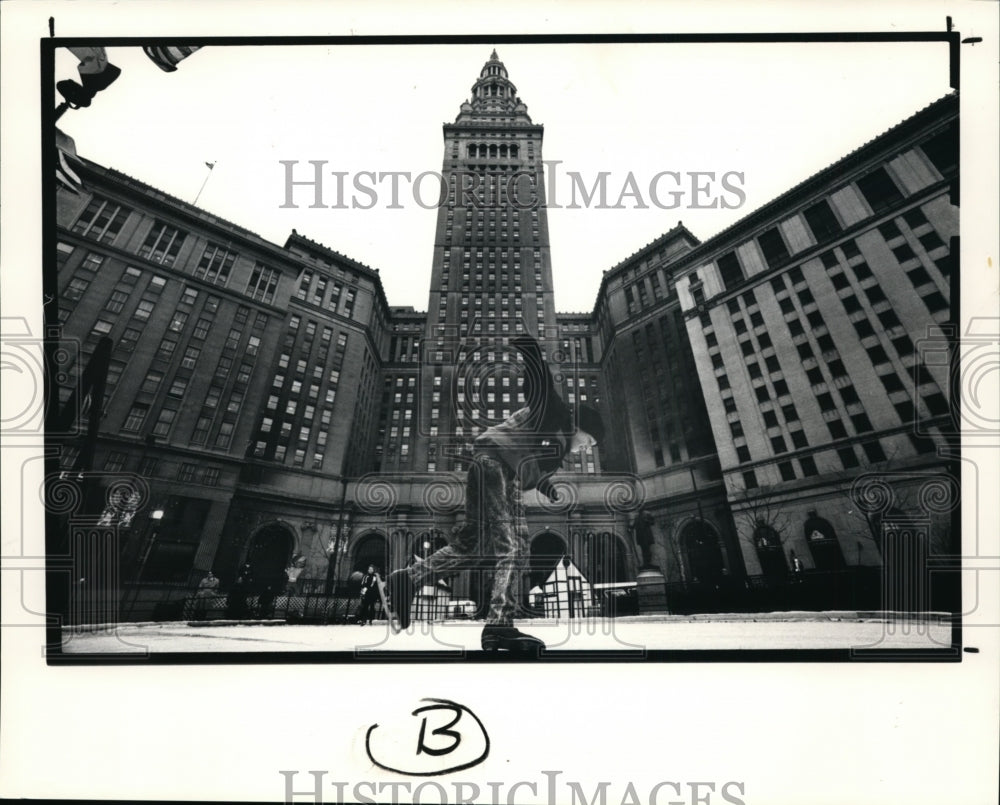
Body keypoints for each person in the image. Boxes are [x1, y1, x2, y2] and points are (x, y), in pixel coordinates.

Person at [387, 334, 605, 653]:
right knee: (512, 544)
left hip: (489, 465)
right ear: (579, 426)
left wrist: (546, 485)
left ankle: (407, 579)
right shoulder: (557, 416)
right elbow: (539, 386)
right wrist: (531, 353)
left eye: (591, 446)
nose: (587, 446)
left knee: (471, 545)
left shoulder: (555, 452)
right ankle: (499, 625)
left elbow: (534, 471)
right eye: (589, 440)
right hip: (494, 463)